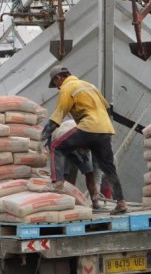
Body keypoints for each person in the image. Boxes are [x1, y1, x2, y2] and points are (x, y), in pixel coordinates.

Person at [40, 65, 128, 215]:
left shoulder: (67, 88)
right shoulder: (89, 86)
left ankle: (58, 183)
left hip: (89, 126)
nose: (57, 87)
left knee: (56, 147)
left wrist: (41, 137)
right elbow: (107, 108)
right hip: (105, 128)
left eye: (56, 84)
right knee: (108, 167)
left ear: (59, 78)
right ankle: (121, 202)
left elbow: (57, 117)